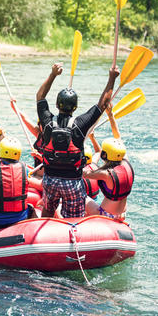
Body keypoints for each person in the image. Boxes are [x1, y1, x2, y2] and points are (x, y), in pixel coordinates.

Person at [37, 63, 120, 218]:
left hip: (50, 180)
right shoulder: (81, 124)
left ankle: (46, 226)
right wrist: (112, 79)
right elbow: (102, 105)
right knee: (74, 217)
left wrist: (53, 74)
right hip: (73, 182)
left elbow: (40, 97)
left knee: (48, 209)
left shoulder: (47, 121)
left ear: (56, 104)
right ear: (75, 107)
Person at [82, 103, 134, 220]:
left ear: (105, 155)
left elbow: (83, 173)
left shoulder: (106, 174)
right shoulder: (126, 162)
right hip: (122, 215)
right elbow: (118, 137)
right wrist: (111, 115)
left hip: (106, 214)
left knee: (83, 197)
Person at [10, 99, 44, 192]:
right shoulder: (38, 133)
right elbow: (25, 119)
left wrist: (38, 156)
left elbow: (53, 161)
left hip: (45, 180)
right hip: (35, 176)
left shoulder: (53, 139)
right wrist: (15, 107)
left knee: (18, 179)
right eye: (42, 125)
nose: (44, 128)